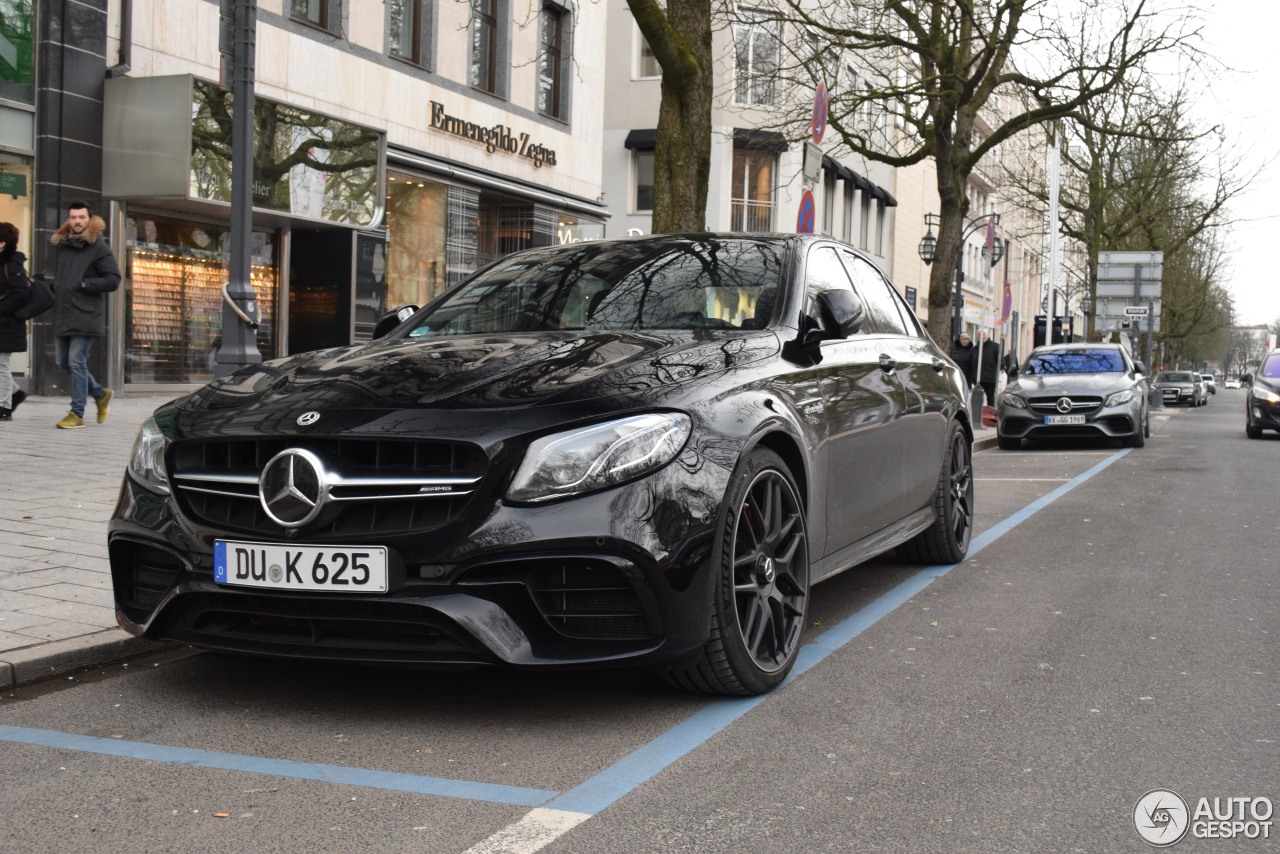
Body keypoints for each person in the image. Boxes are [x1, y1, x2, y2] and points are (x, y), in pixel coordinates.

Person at [49, 201, 120, 429]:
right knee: (64, 362)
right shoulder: (63, 245)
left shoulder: (99, 248)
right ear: (68, 220)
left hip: (86, 314)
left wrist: (83, 284)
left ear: (90, 219)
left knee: (77, 362)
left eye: (81, 217)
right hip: (64, 312)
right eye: (73, 217)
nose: (77, 221)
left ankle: (77, 413)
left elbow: (113, 279)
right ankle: (100, 394)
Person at [0, 222, 31, 421]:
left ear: (2, 243)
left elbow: (20, 294)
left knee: (1, 364)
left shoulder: (12, 264)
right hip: (3, 322)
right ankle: (16, 393)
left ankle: (3, 406)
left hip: (7, 324)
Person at [979, 329, 1001, 407]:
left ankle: (990, 412)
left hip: (990, 378)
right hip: (979, 378)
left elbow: (1000, 358)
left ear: (988, 335)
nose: (983, 336)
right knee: (978, 397)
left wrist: (1002, 367)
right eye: (981, 334)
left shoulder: (995, 346)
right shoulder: (976, 347)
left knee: (990, 397)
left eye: (984, 334)